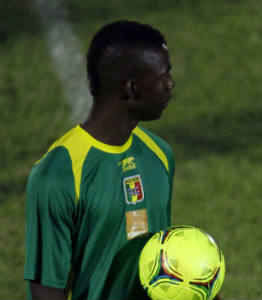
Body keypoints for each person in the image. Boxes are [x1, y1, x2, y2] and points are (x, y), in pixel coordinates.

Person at [24, 20, 176, 299]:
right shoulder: (58, 174)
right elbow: (46, 287)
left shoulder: (160, 155)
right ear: (132, 88)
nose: (170, 84)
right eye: (163, 76)